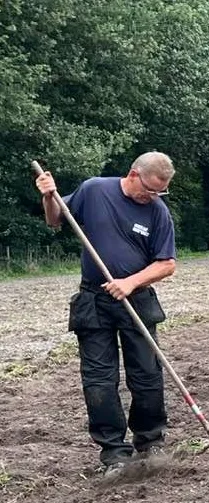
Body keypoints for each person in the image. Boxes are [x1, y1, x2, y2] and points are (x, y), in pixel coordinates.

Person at [35, 152, 177, 478]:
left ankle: (151, 440)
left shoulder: (157, 212)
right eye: (151, 189)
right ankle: (114, 452)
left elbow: (167, 263)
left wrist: (130, 282)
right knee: (99, 380)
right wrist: (48, 196)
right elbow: (56, 219)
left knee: (147, 374)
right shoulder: (95, 190)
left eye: (160, 192)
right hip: (93, 301)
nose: (154, 197)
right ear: (133, 174)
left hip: (136, 300)